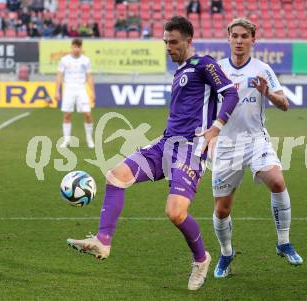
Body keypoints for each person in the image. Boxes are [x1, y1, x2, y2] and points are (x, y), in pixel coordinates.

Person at [66, 16, 239, 291]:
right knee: (116, 176)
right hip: (165, 144)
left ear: (188, 41)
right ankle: (103, 240)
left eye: (173, 42)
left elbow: (231, 94)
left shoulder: (204, 63)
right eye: (165, 42)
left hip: (190, 150)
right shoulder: (180, 70)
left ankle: (201, 258)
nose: (168, 47)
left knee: (175, 213)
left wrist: (215, 129)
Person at [209, 18, 303, 278]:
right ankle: (226, 253)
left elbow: (284, 104)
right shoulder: (216, 70)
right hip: (226, 145)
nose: (239, 41)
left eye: (244, 37)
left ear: (253, 39)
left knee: (276, 180)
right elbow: (203, 105)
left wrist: (268, 93)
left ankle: (283, 242)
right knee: (222, 209)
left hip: (255, 140)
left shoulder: (263, 69)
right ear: (228, 37)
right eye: (235, 36)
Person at [55, 38, 95, 149]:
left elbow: (89, 76)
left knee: (87, 114)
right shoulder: (64, 60)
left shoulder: (86, 60)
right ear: (71, 47)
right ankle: (66, 139)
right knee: (67, 114)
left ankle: (89, 138)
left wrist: (92, 92)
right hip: (68, 88)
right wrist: (57, 90)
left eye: (79, 47)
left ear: (81, 48)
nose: (76, 49)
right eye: (75, 46)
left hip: (81, 88)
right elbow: (59, 75)